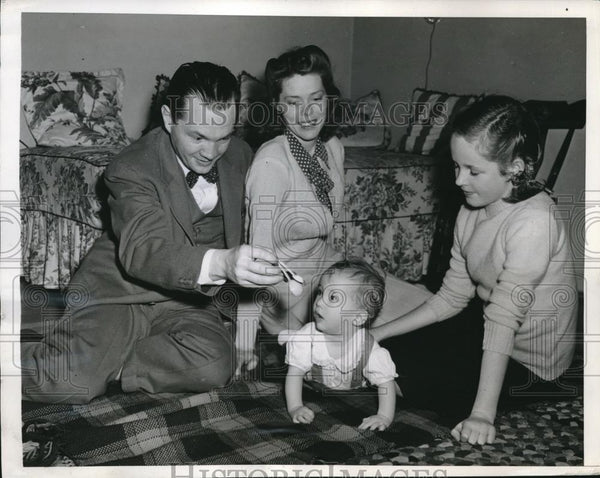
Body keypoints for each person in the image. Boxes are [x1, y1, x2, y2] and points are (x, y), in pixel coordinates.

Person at [21, 62, 283, 404]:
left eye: (224, 137)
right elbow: (145, 249)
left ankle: (111, 364)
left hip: (188, 301)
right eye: (198, 137)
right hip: (121, 294)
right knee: (68, 383)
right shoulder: (130, 167)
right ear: (169, 118)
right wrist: (223, 262)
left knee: (216, 364)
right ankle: (68, 358)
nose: (211, 152)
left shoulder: (242, 155)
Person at [370, 95, 578, 444]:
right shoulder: (471, 210)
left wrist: (482, 414)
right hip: (486, 330)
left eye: (473, 171)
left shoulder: (534, 222)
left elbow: (503, 319)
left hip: (535, 369)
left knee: (419, 378)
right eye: (456, 166)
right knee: (390, 353)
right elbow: (451, 296)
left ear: (514, 168)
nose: (458, 180)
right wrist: (378, 333)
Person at [235, 45, 346, 375]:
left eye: (316, 99)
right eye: (294, 103)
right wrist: (243, 342)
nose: (308, 114)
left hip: (323, 275)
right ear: (278, 107)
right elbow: (256, 260)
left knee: (399, 309)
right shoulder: (271, 163)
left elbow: (329, 229)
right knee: (334, 365)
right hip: (282, 291)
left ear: (329, 98)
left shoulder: (333, 148)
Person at [282, 259, 398, 431]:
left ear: (358, 317)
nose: (319, 301)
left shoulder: (367, 349)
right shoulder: (307, 337)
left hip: (357, 390)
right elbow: (294, 374)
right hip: (313, 386)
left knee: (390, 381)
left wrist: (384, 416)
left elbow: (385, 384)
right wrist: (295, 407)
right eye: (321, 292)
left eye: (333, 297)